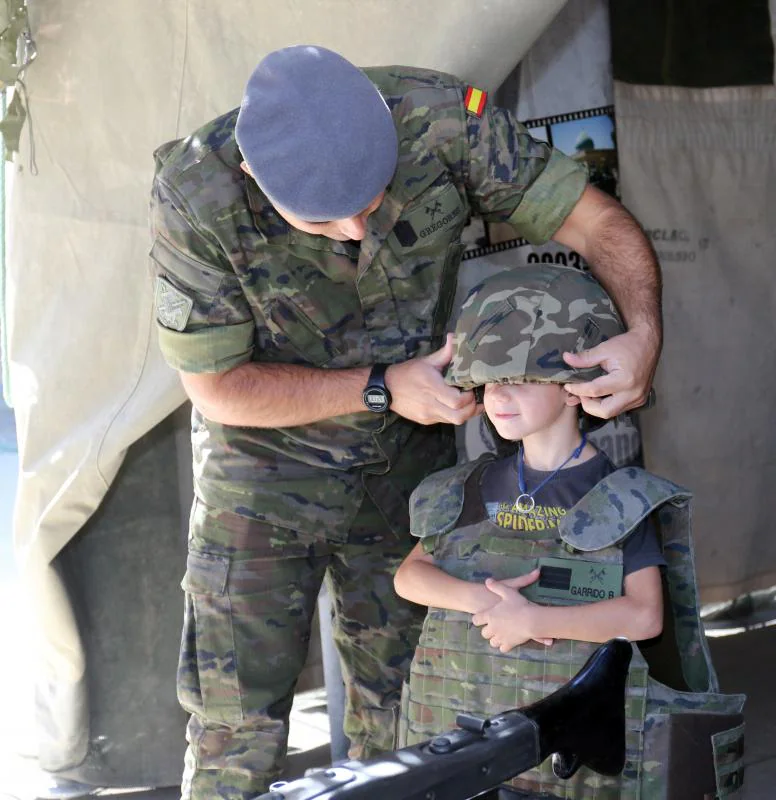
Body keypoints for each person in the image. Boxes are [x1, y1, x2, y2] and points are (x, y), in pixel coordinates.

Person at [149, 45, 662, 799]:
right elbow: (218, 387)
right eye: (326, 218)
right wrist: (383, 387)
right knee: (234, 728)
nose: (359, 229)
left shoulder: (443, 123)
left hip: (407, 474)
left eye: (372, 198)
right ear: (256, 177)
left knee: (407, 716)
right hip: (262, 479)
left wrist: (644, 332)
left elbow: (593, 221)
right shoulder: (195, 193)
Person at [394, 265, 742, 798]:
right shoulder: (464, 487)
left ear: (576, 388)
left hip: (574, 771)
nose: (498, 396)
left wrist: (534, 617)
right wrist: (485, 602)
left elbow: (644, 616)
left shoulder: (620, 495)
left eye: (521, 378)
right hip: (467, 760)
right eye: (489, 381)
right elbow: (410, 577)